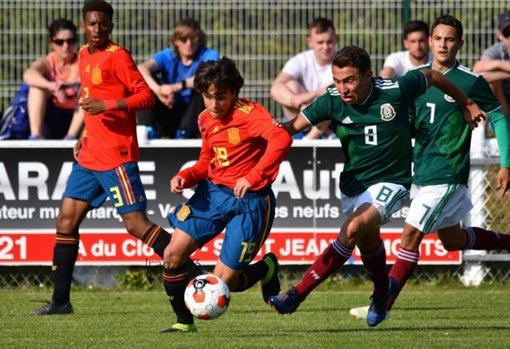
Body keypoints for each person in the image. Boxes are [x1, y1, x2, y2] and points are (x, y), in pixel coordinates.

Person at [267, 45, 485, 327]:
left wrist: (466, 103)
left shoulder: (395, 89)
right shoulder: (332, 99)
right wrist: (268, 130)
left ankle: (296, 295)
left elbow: (432, 75)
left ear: (369, 76)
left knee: (354, 228)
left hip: (392, 183)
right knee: (368, 242)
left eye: (350, 80)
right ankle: (381, 296)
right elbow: (291, 127)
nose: (343, 88)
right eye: (337, 81)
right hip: (355, 184)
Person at [31, 0, 200, 316]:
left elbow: (146, 96)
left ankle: (192, 271)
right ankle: (60, 302)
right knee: (65, 222)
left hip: (117, 156)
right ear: (84, 25)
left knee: (136, 226)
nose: (97, 29)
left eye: (103, 24)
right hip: (90, 154)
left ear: (110, 25)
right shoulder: (82, 55)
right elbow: (88, 99)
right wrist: (83, 135)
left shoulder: (118, 56)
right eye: (92, 24)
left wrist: (110, 106)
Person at [349, 15, 510, 326]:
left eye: (449, 39)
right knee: (452, 240)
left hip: (448, 171)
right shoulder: (417, 79)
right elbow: (406, 124)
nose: (443, 44)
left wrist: (506, 164)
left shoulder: (470, 80)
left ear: (459, 43)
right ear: (431, 42)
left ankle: (381, 304)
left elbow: (500, 118)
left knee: (410, 235)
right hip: (420, 171)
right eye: (438, 38)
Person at [160, 56, 293, 333]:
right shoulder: (205, 118)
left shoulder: (250, 114)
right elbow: (206, 160)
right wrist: (187, 177)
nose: (214, 104)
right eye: (208, 97)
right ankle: (184, 322)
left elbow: (282, 139)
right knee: (172, 254)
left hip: (251, 201)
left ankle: (265, 268)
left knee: (224, 282)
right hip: (213, 195)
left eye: (221, 97)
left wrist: (253, 176)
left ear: (234, 92)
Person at [137, 18, 220, 139]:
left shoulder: (208, 55)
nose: (189, 43)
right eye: (183, 39)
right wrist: (159, 91)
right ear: (176, 40)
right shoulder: (167, 55)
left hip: (194, 115)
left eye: (194, 39)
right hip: (168, 108)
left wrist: (174, 87)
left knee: (203, 85)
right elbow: (141, 68)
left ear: (200, 40)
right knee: (146, 82)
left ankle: (185, 132)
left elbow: (208, 75)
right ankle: (146, 130)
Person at [270, 17, 337, 139]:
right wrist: (297, 102)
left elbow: (337, 89)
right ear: (310, 42)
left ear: (336, 39)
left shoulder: (343, 59)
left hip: (330, 121)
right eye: (320, 42)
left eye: (329, 41)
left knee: (332, 97)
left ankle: (307, 140)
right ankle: (308, 133)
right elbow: (276, 88)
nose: (326, 47)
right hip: (300, 118)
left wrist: (310, 96)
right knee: (289, 84)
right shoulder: (301, 60)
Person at [22, 18, 83, 140]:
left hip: (78, 120)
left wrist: (69, 84)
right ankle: (35, 137)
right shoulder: (47, 62)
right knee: (36, 89)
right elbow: (28, 74)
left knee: (89, 92)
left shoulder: (83, 62)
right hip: (51, 118)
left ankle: (70, 138)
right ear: (51, 43)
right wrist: (52, 86)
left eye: (70, 41)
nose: (66, 46)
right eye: (60, 42)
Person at [473, 10, 510, 116]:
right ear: (499, 35)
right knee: (489, 85)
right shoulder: (497, 50)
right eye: (507, 33)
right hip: (504, 105)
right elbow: (478, 70)